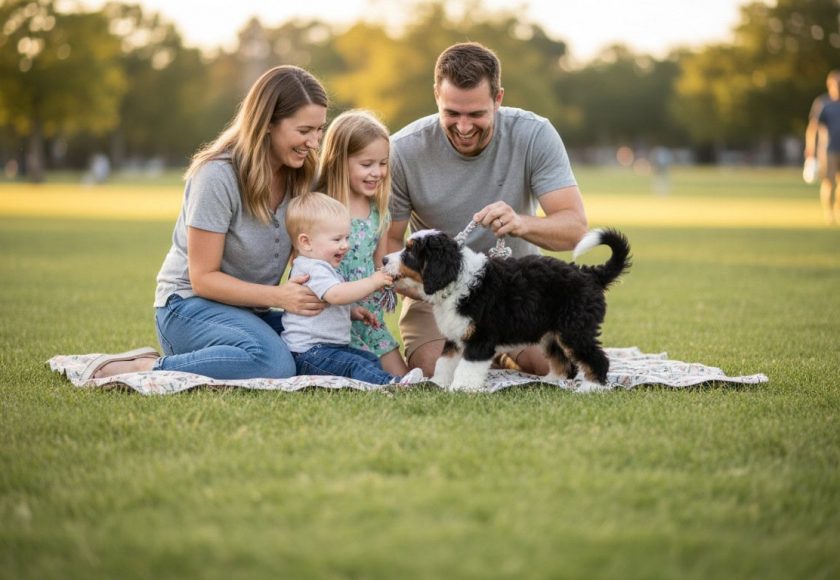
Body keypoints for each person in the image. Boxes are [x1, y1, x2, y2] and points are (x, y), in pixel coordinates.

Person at [82, 65, 330, 381]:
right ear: (267, 123)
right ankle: (144, 367)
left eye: (319, 130)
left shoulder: (301, 175)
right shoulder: (218, 175)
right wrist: (279, 297)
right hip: (187, 308)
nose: (314, 142)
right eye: (304, 130)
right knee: (274, 364)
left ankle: (224, 356)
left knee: (324, 340)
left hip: (248, 313)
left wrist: (338, 299)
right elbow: (203, 279)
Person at [385, 41, 589, 378]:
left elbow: (575, 229)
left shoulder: (535, 134)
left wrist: (521, 223)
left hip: (515, 295)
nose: (463, 127)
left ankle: (496, 352)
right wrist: (414, 286)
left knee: (554, 367)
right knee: (432, 369)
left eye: (476, 114)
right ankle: (485, 353)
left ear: (498, 99)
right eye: (452, 113)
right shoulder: (403, 150)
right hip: (439, 298)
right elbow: (389, 242)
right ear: (437, 95)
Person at [281, 192, 423, 385]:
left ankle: (383, 381)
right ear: (306, 242)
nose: (345, 246)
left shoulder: (325, 267)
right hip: (309, 353)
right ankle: (393, 385)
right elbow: (337, 294)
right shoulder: (312, 268)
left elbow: (328, 302)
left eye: (347, 238)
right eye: (337, 239)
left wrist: (354, 312)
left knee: (369, 359)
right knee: (355, 364)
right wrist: (374, 281)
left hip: (330, 349)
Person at [316, 109, 408, 376]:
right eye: (367, 164)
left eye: (382, 163)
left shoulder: (379, 211)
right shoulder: (319, 207)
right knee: (364, 375)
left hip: (369, 316)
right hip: (331, 317)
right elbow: (303, 264)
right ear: (339, 160)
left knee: (404, 380)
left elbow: (381, 265)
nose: (377, 172)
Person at [804, 69, 840, 224]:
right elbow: (813, 128)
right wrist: (810, 148)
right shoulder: (823, 103)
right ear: (830, 84)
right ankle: (829, 212)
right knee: (829, 182)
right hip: (829, 149)